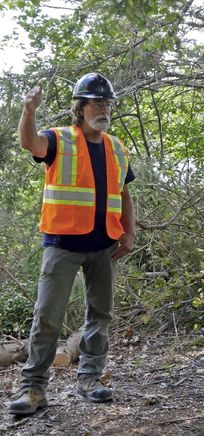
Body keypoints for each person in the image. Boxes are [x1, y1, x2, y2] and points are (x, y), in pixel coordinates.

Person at [9, 73, 136, 416]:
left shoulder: (116, 146)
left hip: (104, 245)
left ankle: (91, 379)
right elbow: (29, 143)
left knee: (100, 313)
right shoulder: (59, 139)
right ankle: (33, 388)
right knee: (48, 315)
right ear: (80, 109)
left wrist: (129, 231)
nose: (103, 109)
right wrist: (28, 110)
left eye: (107, 103)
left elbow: (124, 192)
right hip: (62, 244)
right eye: (96, 103)